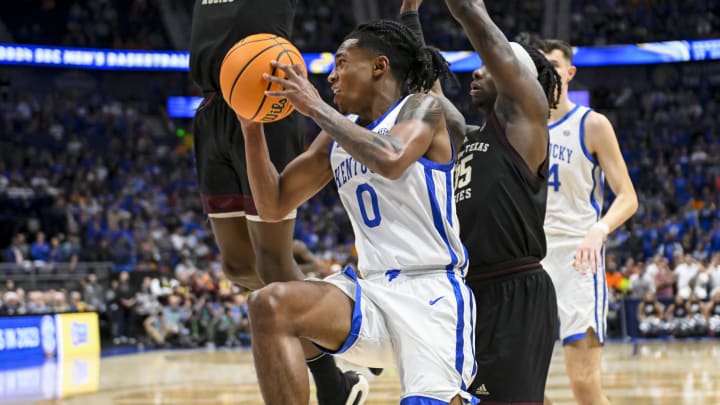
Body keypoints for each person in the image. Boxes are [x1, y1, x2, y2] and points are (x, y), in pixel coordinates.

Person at [240, 19, 476, 405]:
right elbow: (274, 203)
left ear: (378, 67)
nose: (331, 76)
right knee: (269, 305)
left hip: (431, 293)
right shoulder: (339, 131)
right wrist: (252, 130)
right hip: (370, 293)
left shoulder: (422, 108)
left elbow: (392, 158)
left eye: (341, 63)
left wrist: (314, 107)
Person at [188, 1, 363, 403]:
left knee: (271, 262)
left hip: (262, 97)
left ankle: (334, 377)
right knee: (237, 267)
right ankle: (330, 335)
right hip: (213, 105)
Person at [406, 0, 559, 402]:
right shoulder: (469, 135)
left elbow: (484, 31)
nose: (477, 70)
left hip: (514, 290)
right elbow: (428, 91)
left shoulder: (529, 119)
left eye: (489, 67)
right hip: (467, 290)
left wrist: (464, 8)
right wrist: (409, 15)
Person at [538, 38, 639, 405]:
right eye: (541, 64)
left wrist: (599, 230)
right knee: (518, 385)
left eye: (554, 63)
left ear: (569, 71)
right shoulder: (519, 128)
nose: (548, 71)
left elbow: (628, 196)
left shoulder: (591, 124)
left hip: (578, 261)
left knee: (583, 384)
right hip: (529, 259)